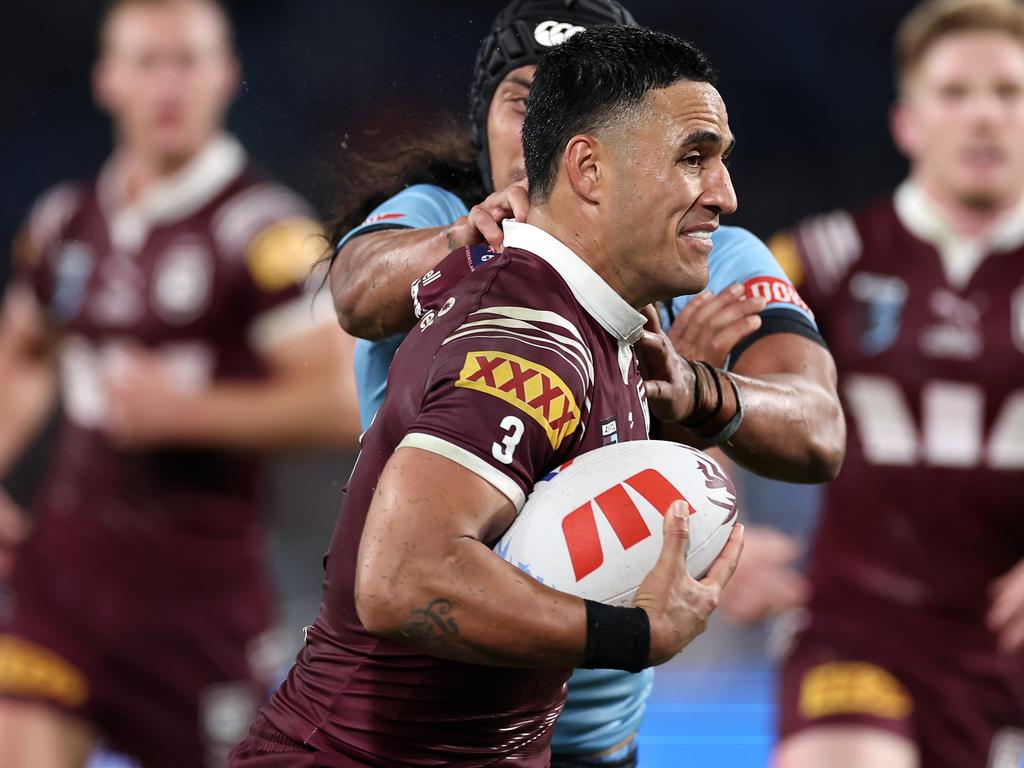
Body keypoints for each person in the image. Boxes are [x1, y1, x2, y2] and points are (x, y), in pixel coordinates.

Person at [327, 2, 845, 765]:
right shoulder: (442, 217)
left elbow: (818, 428)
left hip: (591, 743)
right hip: (420, 728)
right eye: (520, 99)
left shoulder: (707, 255)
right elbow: (354, 293)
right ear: (484, 124)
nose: (542, 122)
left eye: (571, 100)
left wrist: (700, 394)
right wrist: (463, 250)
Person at [230, 26, 747, 768]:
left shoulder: (601, 331)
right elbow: (402, 582)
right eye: (694, 159)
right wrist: (631, 634)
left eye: (722, 161)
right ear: (590, 169)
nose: (724, 194)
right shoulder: (525, 342)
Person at [0, 1, 360, 766]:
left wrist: (187, 412)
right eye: (147, 62)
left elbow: (340, 402)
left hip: (196, 608)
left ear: (225, 77)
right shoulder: (66, 224)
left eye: (188, 61)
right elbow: (24, 351)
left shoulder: (265, 235)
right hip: (61, 583)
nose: (168, 84)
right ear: (107, 80)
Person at [768, 1, 1024, 766]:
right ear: (908, 122)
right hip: (861, 633)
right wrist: (711, 531)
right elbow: (678, 375)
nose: (983, 115)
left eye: (1008, 93)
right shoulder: (824, 259)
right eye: (954, 93)